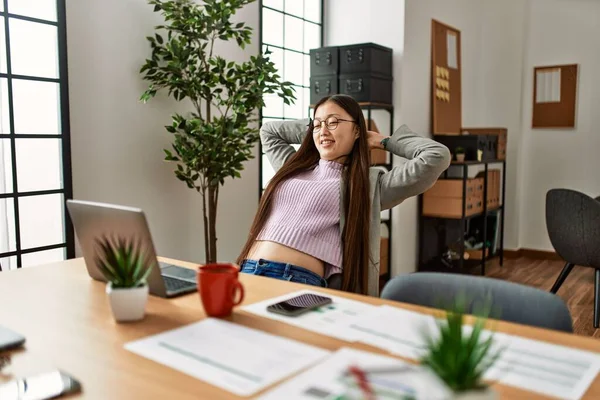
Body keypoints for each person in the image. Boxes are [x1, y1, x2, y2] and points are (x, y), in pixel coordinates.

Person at [236, 94, 451, 296]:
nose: (323, 130)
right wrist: (319, 129)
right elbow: (269, 131)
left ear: (357, 131)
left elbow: (436, 156)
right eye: (317, 124)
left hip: (294, 279)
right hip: (248, 269)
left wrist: (382, 141)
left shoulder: (366, 186)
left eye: (333, 122)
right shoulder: (294, 167)